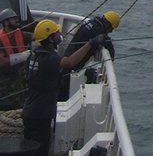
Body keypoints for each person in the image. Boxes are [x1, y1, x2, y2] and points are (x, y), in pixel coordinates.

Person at [23, 19, 103, 156]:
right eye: (56, 33)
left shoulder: (34, 55)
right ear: (50, 39)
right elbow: (70, 62)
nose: (59, 34)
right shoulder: (49, 59)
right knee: (39, 150)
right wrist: (90, 44)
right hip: (40, 114)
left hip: (30, 110)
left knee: (30, 148)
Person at [0, 8, 32, 110]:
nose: (16, 20)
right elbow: (2, 62)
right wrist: (22, 56)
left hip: (22, 79)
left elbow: (36, 37)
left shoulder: (21, 34)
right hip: (6, 82)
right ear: (6, 22)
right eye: (13, 19)